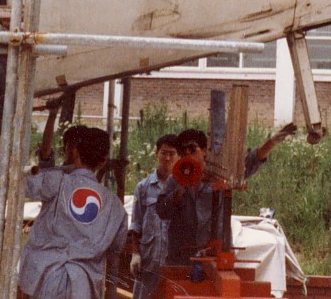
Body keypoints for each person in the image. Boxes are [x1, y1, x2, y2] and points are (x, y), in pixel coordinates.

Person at [155, 123, 297, 263]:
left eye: (192, 149)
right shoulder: (174, 180)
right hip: (181, 257)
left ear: (204, 150)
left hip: (214, 255)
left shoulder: (220, 174)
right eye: (183, 150)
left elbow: (252, 160)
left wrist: (272, 142)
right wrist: (179, 190)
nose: (187, 154)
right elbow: (161, 211)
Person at [20, 125, 129, 299]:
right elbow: (116, 249)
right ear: (103, 161)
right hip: (84, 287)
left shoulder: (57, 182)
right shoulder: (115, 206)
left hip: (48, 279)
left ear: (75, 152)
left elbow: (18, 182)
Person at [129, 134, 180, 299]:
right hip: (149, 262)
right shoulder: (143, 187)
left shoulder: (182, 188)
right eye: (164, 153)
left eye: (172, 154)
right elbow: (136, 224)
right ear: (156, 154)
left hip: (173, 263)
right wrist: (135, 254)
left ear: (178, 156)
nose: (167, 158)